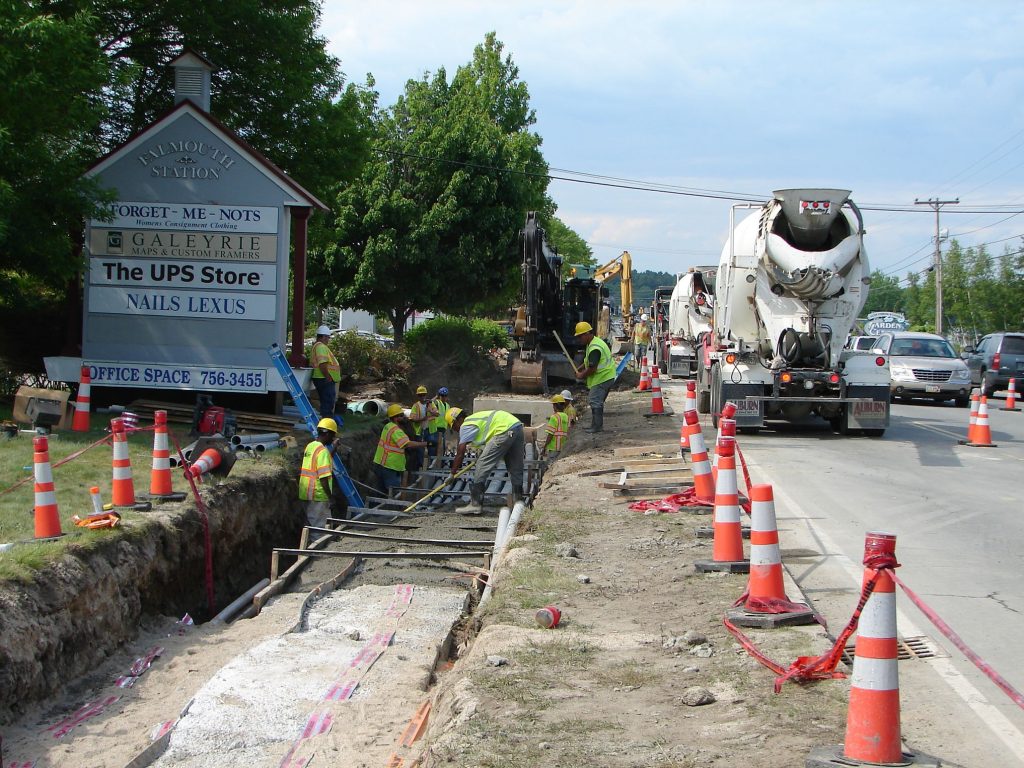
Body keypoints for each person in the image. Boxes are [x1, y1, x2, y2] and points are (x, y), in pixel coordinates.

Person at [447, 407, 525, 515]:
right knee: (515, 467)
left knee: (481, 466)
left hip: (503, 430)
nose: (456, 431)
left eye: (453, 427)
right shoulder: (476, 420)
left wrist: (452, 473)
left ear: (456, 421)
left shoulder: (465, 425)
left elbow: (460, 452)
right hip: (517, 426)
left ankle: (475, 504)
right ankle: (518, 503)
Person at [298, 418, 346, 529]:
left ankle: (308, 544)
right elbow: (323, 478)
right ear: (328, 434)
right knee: (320, 528)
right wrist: (330, 497)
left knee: (311, 524)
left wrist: (334, 448)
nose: (333, 438)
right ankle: (319, 546)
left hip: (306, 492)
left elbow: (323, 460)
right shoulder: (322, 451)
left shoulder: (311, 446)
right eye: (333, 435)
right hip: (318, 494)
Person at [374, 404, 427, 496]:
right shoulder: (396, 430)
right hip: (390, 466)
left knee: (381, 491)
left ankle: (377, 508)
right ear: (396, 418)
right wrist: (425, 444)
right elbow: (407, 444)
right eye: (401, 415)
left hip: (381, 463)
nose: (404, 417)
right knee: (394, 493)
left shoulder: (388, 426)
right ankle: (391, 509)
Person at [574, 321, 616, 433]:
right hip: (607, 376)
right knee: (596, 400)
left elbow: (592, 368)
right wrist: (582, 366)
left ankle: (597, 427)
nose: (579, 339)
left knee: (594, 400)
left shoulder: (594, 348)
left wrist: (581, 375)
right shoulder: (594, 343)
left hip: (603, 377)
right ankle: (595, 425)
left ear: (587, 334)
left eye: (580, 336)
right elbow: (590, 361)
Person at [309, 325, 341, 421]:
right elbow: (323, 364)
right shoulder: (321, 347)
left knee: (327, 402)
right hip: (324, 378)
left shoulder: (318, 347)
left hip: (322, 378)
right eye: (327, 337)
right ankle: (327, 424)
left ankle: (326, 423)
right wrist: (327, 376)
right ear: (323, 337)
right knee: (328, 402)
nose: (328, 340)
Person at [407, 385, 438, 471]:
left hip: (430, 430)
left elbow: (437, 414)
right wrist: (421, 419)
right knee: (420, 449)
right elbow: (412, 418)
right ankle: (420, 467)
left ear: (426, 395)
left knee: (432, 447)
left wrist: (430, 410)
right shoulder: (415, 406)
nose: (422, 397)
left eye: (423, 395)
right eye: (420, 395)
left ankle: (431, 466)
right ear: (418, 396)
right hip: (420, 431)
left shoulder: (430, 404)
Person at [541, 394, 571, 459]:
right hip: (563, 447)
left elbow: (550, 434)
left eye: (553, 405)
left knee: (550, 464)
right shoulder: (566, 416)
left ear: (555, 405)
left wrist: (545, 447)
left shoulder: (554, 417)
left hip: (554, 448)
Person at [428, 386, 451, 459]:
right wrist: (436, 396)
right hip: (435, 428)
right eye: (442, 396)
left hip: (443, 429)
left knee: (442, 447)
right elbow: (429, 402)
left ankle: (439, 462)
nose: (444, 397)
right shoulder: (437, 402)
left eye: (445, 396)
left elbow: (448, 417)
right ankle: (432, 461)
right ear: (439, 396)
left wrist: (450, 427)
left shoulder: (448, 405)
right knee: (434, 446)